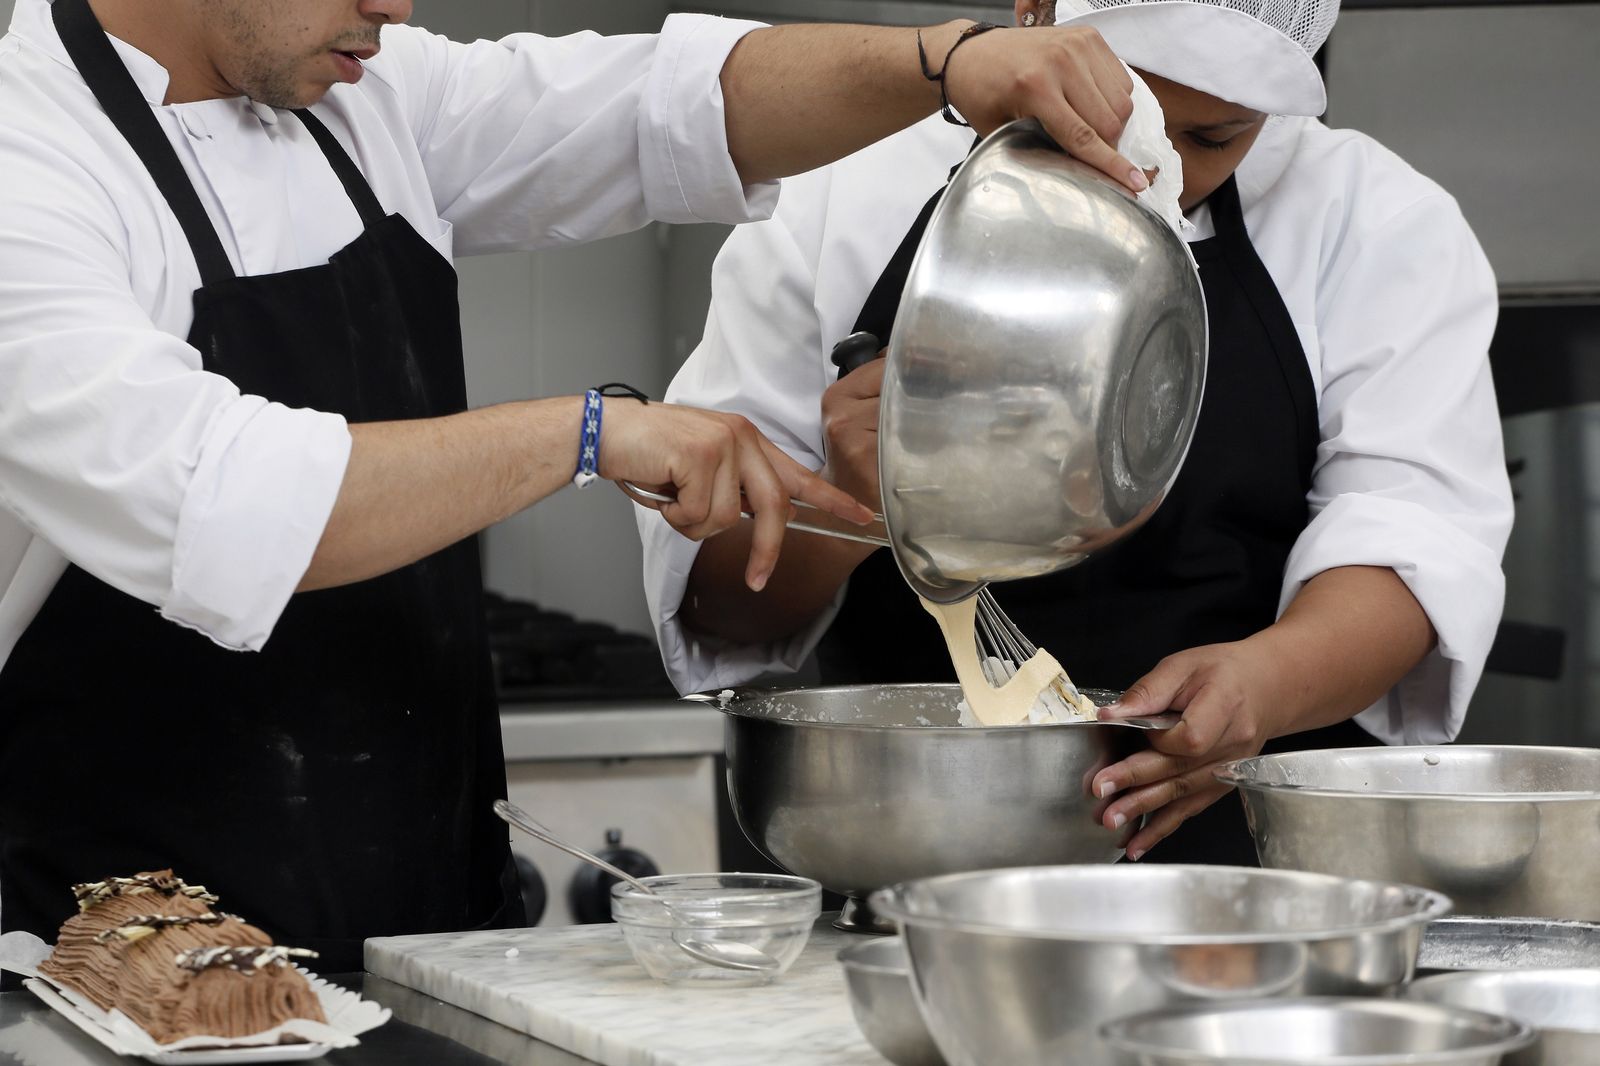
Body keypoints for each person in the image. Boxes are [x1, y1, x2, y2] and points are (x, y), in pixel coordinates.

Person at [0, 0, 1169, 971]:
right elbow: (214, 499)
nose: (397, 7)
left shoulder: (364, 97)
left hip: (423, 919)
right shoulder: (29, 160)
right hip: (118, 952)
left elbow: (664, 106)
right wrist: (591, 434)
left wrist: (947, 60)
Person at [639, 0, 1514, 866]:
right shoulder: (840, 187)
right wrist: (856, 505)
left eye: (1212, 138)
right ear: (1032, 12)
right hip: (914, 847)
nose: (1149, 169)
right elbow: (723, 604)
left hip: (1255, 871)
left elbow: (1414, 544)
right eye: (1115, 111)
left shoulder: (1373, 221)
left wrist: (1268, 686)